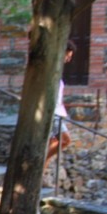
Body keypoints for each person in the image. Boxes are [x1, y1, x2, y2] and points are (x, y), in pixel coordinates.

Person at [45, 40, 76, 169]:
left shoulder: (56, 70)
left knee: (54, 141)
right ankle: (42, 163)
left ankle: (42, 167)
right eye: (67, 56)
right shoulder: (50, 69)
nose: (68, 60)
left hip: (58, 112)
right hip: (54, 114)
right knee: (65, 140)